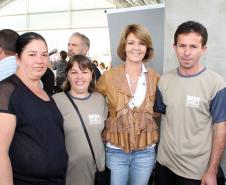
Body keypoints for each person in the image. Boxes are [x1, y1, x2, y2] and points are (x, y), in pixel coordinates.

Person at [154, 21, 226, 185]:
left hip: (196, 173)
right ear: (174, 47)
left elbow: (221, 131)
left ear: (203, 49)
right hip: (164, 165)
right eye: (182, 46)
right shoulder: (164, 80)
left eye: (193, 46)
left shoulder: (216, 84)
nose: (186, 52)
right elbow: (158, 112)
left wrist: (212, 171)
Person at [0, 32, 68, 185]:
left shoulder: (44, 92)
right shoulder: (7, 91)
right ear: (18, 58)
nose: (40, 60)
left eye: (44, 55)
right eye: (32, 54)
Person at [96, 24, 160, 185]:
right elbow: (94, 103)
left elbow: (160, 110)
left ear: (147, 48)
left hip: (145, 152)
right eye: (131, 43)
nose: (136, 48)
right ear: (124, 47)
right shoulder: (108, 77)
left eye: (141, 43)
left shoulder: (155, 78)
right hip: (116, 150)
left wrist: (143, 116)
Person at [53, 55, 108, 185]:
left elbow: (104, 132)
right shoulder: (56, 101)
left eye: (84, 72)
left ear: (91, 75)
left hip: (97, 170)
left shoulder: (99, 99)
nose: (79, 77)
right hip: (70, 172)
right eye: (74, 72)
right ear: (67, 75)